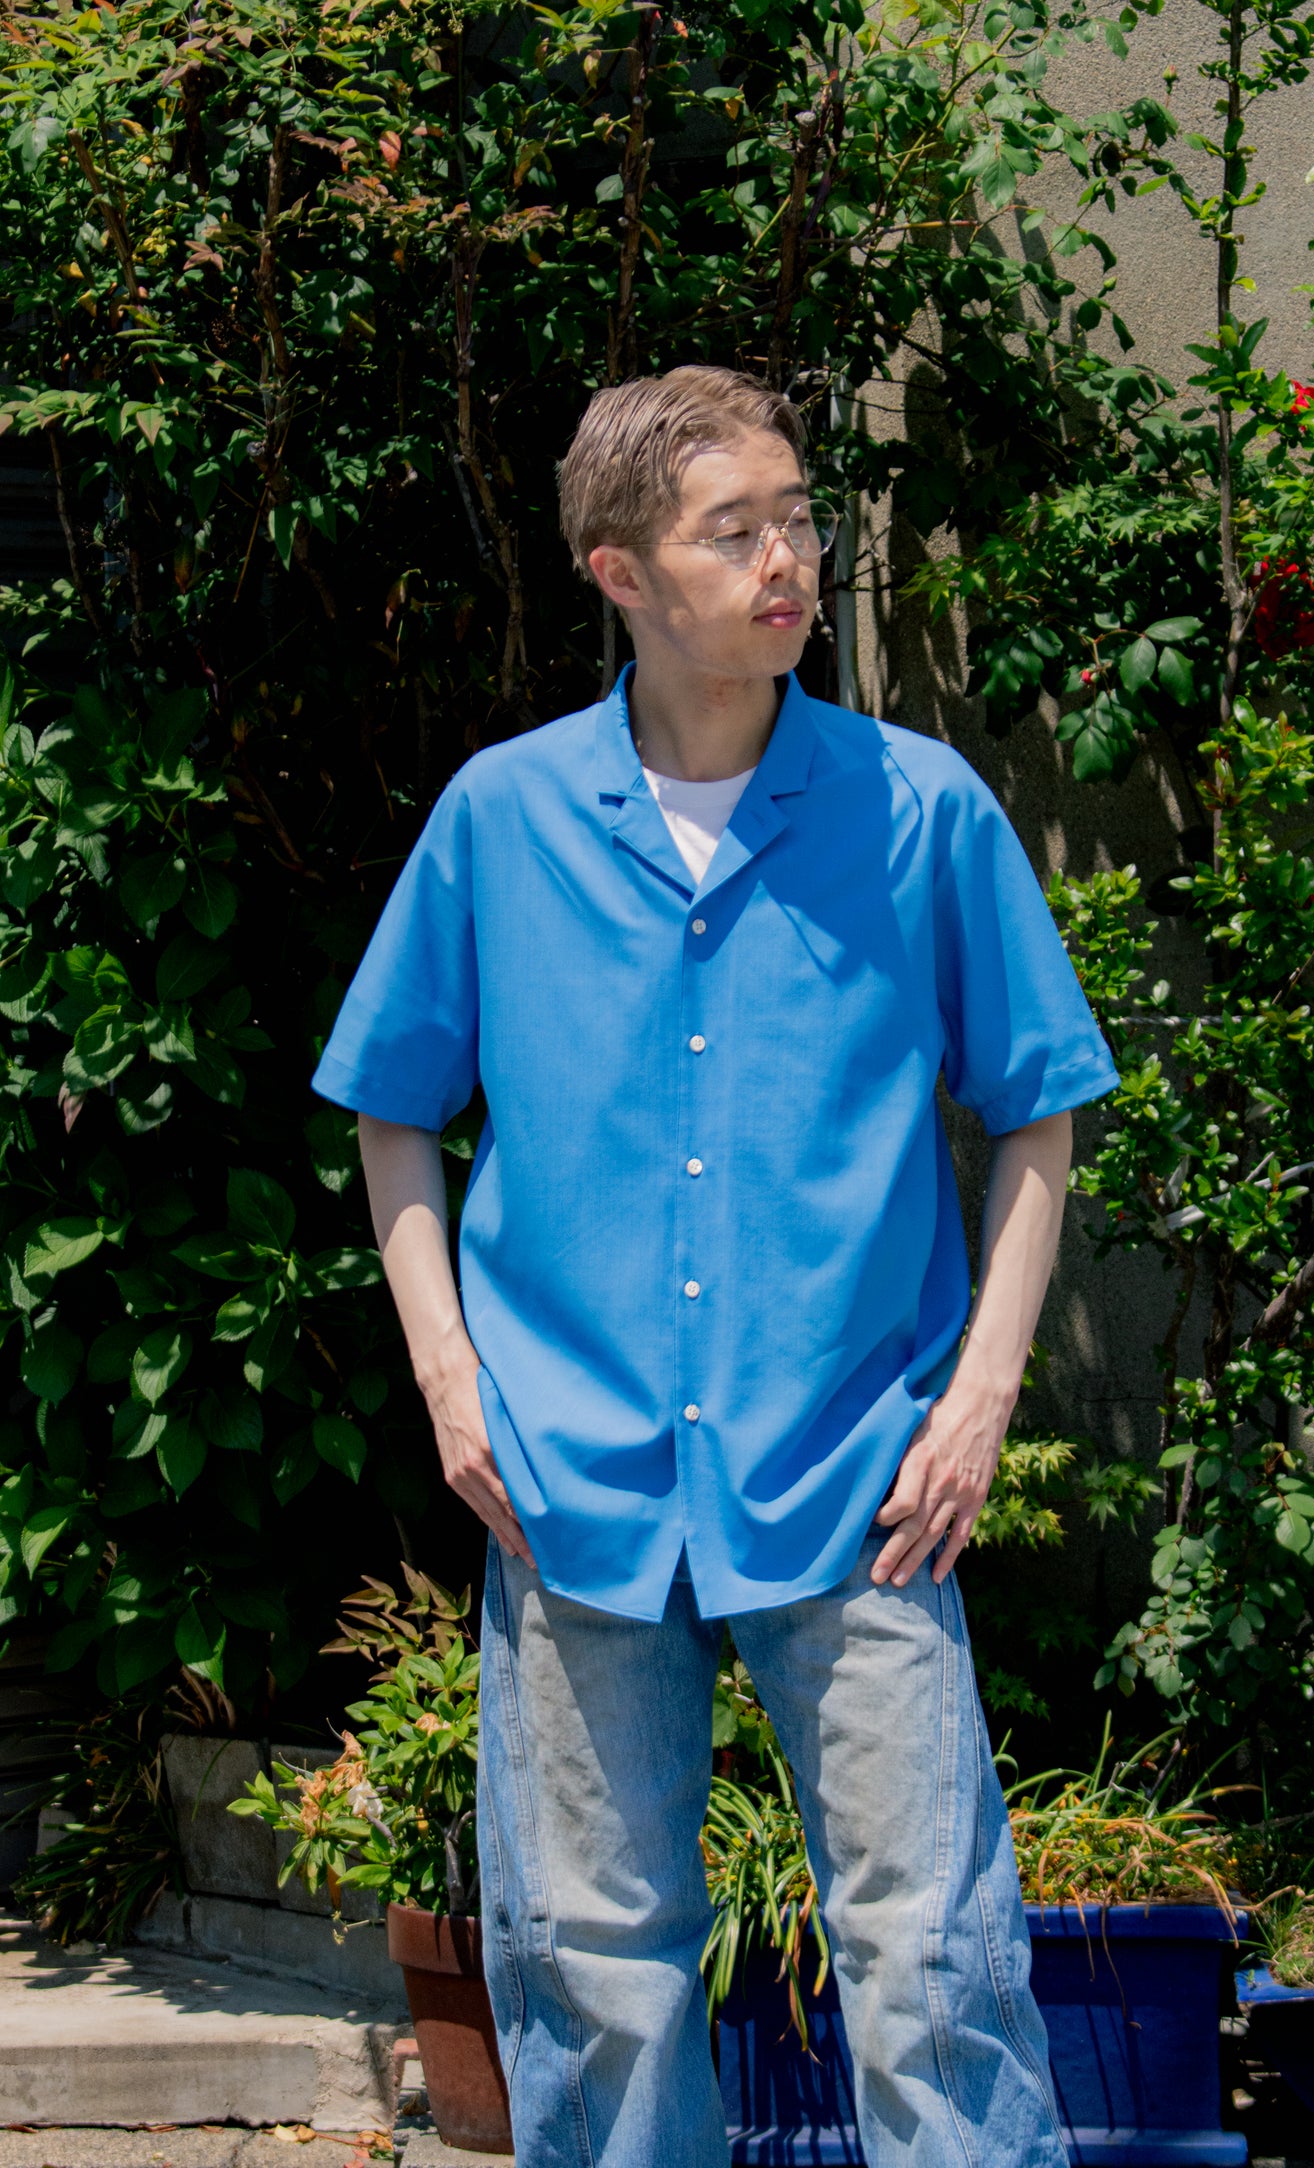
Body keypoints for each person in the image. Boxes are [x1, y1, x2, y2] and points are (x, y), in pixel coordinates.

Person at [312, 365, 1118, 2168]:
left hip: (859, 1476)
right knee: (591, 1963)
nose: (786, 562)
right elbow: (392, 1111)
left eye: (798, 521)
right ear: (619, 572)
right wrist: (450, 1379)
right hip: (568, 1476)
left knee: (935, 1957)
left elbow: (1038, 1116)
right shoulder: (502, 818)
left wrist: (979, 1398)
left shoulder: (918, 812)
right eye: (732, 530)